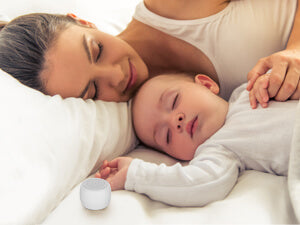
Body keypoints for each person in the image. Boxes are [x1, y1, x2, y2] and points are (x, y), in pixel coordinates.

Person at [0, 0, 300, 105]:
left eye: (97, 50)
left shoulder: (173, 7)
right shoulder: (153, 117)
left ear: (83, 22)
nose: (116, 76)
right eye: (93, 91)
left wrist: (296, 51)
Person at [95, 73, 297, 206]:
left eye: (174, 101)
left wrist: (280, 80)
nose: (176, 121)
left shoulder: (251, 89)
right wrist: (135, 173)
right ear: (174, 155)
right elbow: (197, 184)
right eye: (167, 136)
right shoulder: (218, 150)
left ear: (207, 84)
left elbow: (289, 72)